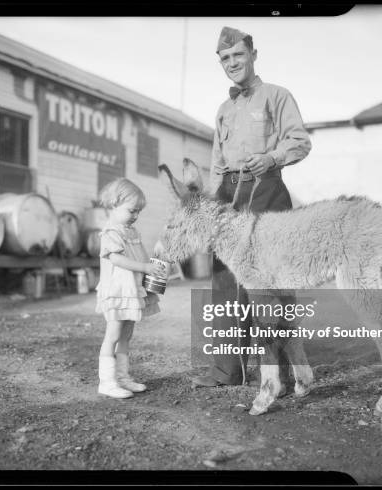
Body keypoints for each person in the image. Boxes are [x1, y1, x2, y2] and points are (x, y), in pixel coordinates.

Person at [192, 26, 312, 388]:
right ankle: (227, 371)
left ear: (253, 55)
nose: (232, 63)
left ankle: (285, 371)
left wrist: (273, 157)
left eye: (238, 55)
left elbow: (300, 142)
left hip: (266, 189)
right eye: (225, 59)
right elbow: (216, 163)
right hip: (229, 193)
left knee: (272, 281)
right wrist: (212, 209)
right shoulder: (223, 110)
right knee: (224, 280)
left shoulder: (277, 95)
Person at [95, 178, 164, 398]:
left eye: (138, 212)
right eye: (131, 210)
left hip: (131, 291)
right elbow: (116, 259)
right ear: (113, 204)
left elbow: (140, 257)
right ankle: (106, 381)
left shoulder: (132, 231)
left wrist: (152, 270)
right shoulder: (111, 232)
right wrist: (144, 267)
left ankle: (123, 377)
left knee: (126, 334)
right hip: (117, 291)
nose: (135, 216)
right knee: (113, 334)